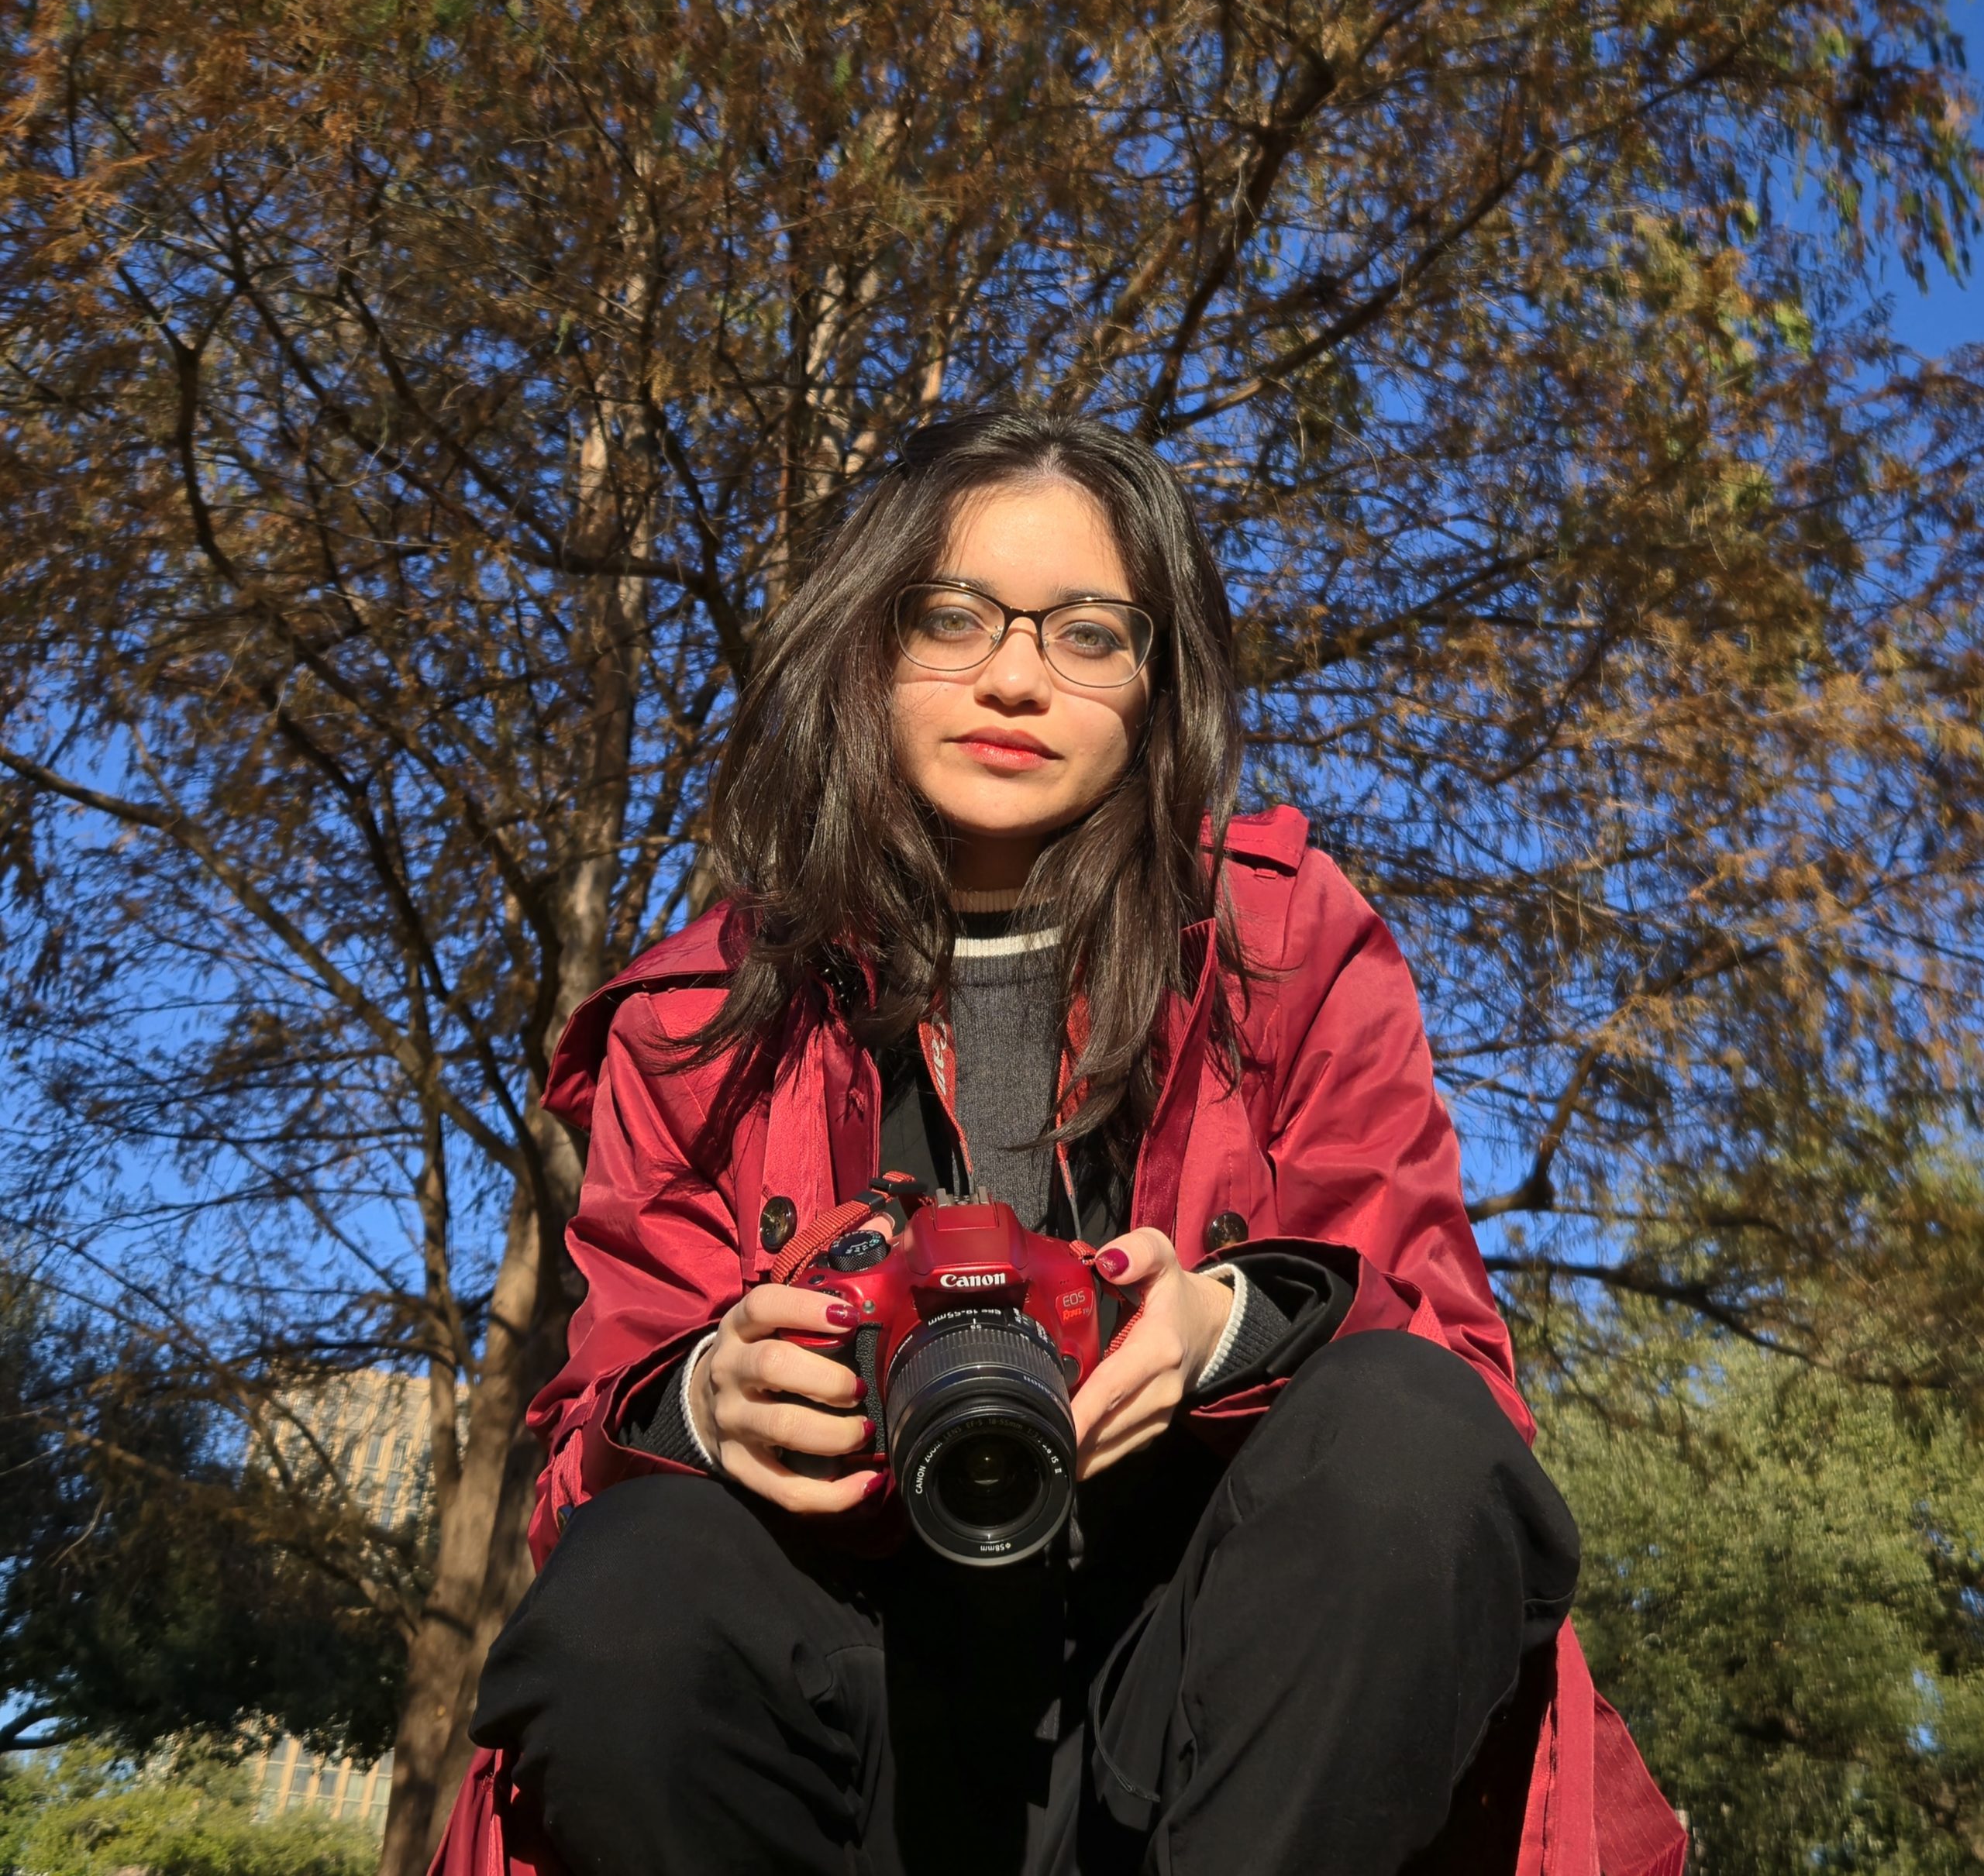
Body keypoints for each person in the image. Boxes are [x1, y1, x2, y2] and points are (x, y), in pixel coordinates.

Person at [447, 411, 1684, 1876]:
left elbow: (1455, 1381)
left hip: (1217, 1707)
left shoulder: (1285, 943)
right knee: (629, 1594)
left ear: (1160, 683)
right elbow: (584, 1453)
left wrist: (1221, 1328)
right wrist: (711, 1400)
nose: (1017, 677)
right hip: (844, 1699)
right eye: (952, 617)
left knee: (1412, 1441)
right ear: (863, 644)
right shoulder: (699, 1013)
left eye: (1090, 633)